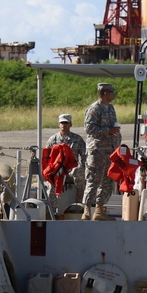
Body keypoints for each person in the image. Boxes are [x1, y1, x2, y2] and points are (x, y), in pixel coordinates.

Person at [82, 82, 120, 221]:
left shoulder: (110, 108)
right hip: (97, 151)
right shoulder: (94, 109)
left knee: (106, 182)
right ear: (105, 93)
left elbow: (113, 126)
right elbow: (89, 129)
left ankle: (99, 211)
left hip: (109, 150)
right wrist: (108, 131)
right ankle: (86, 212)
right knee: (93, 180)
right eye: (111, 92)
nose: (113, 95)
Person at [45, 113, 87, 214]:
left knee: (79, 170)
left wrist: (84, 168)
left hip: (72, 169)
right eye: (62, 123)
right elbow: (46, 158)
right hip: (57, 168)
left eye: (66, 123)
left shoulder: (77, 139)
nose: (64, 125)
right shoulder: (53, 140)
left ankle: (78, 203)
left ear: (70, 124)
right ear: (59, 124)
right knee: (51, 179)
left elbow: (85, 156)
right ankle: (52, 210)